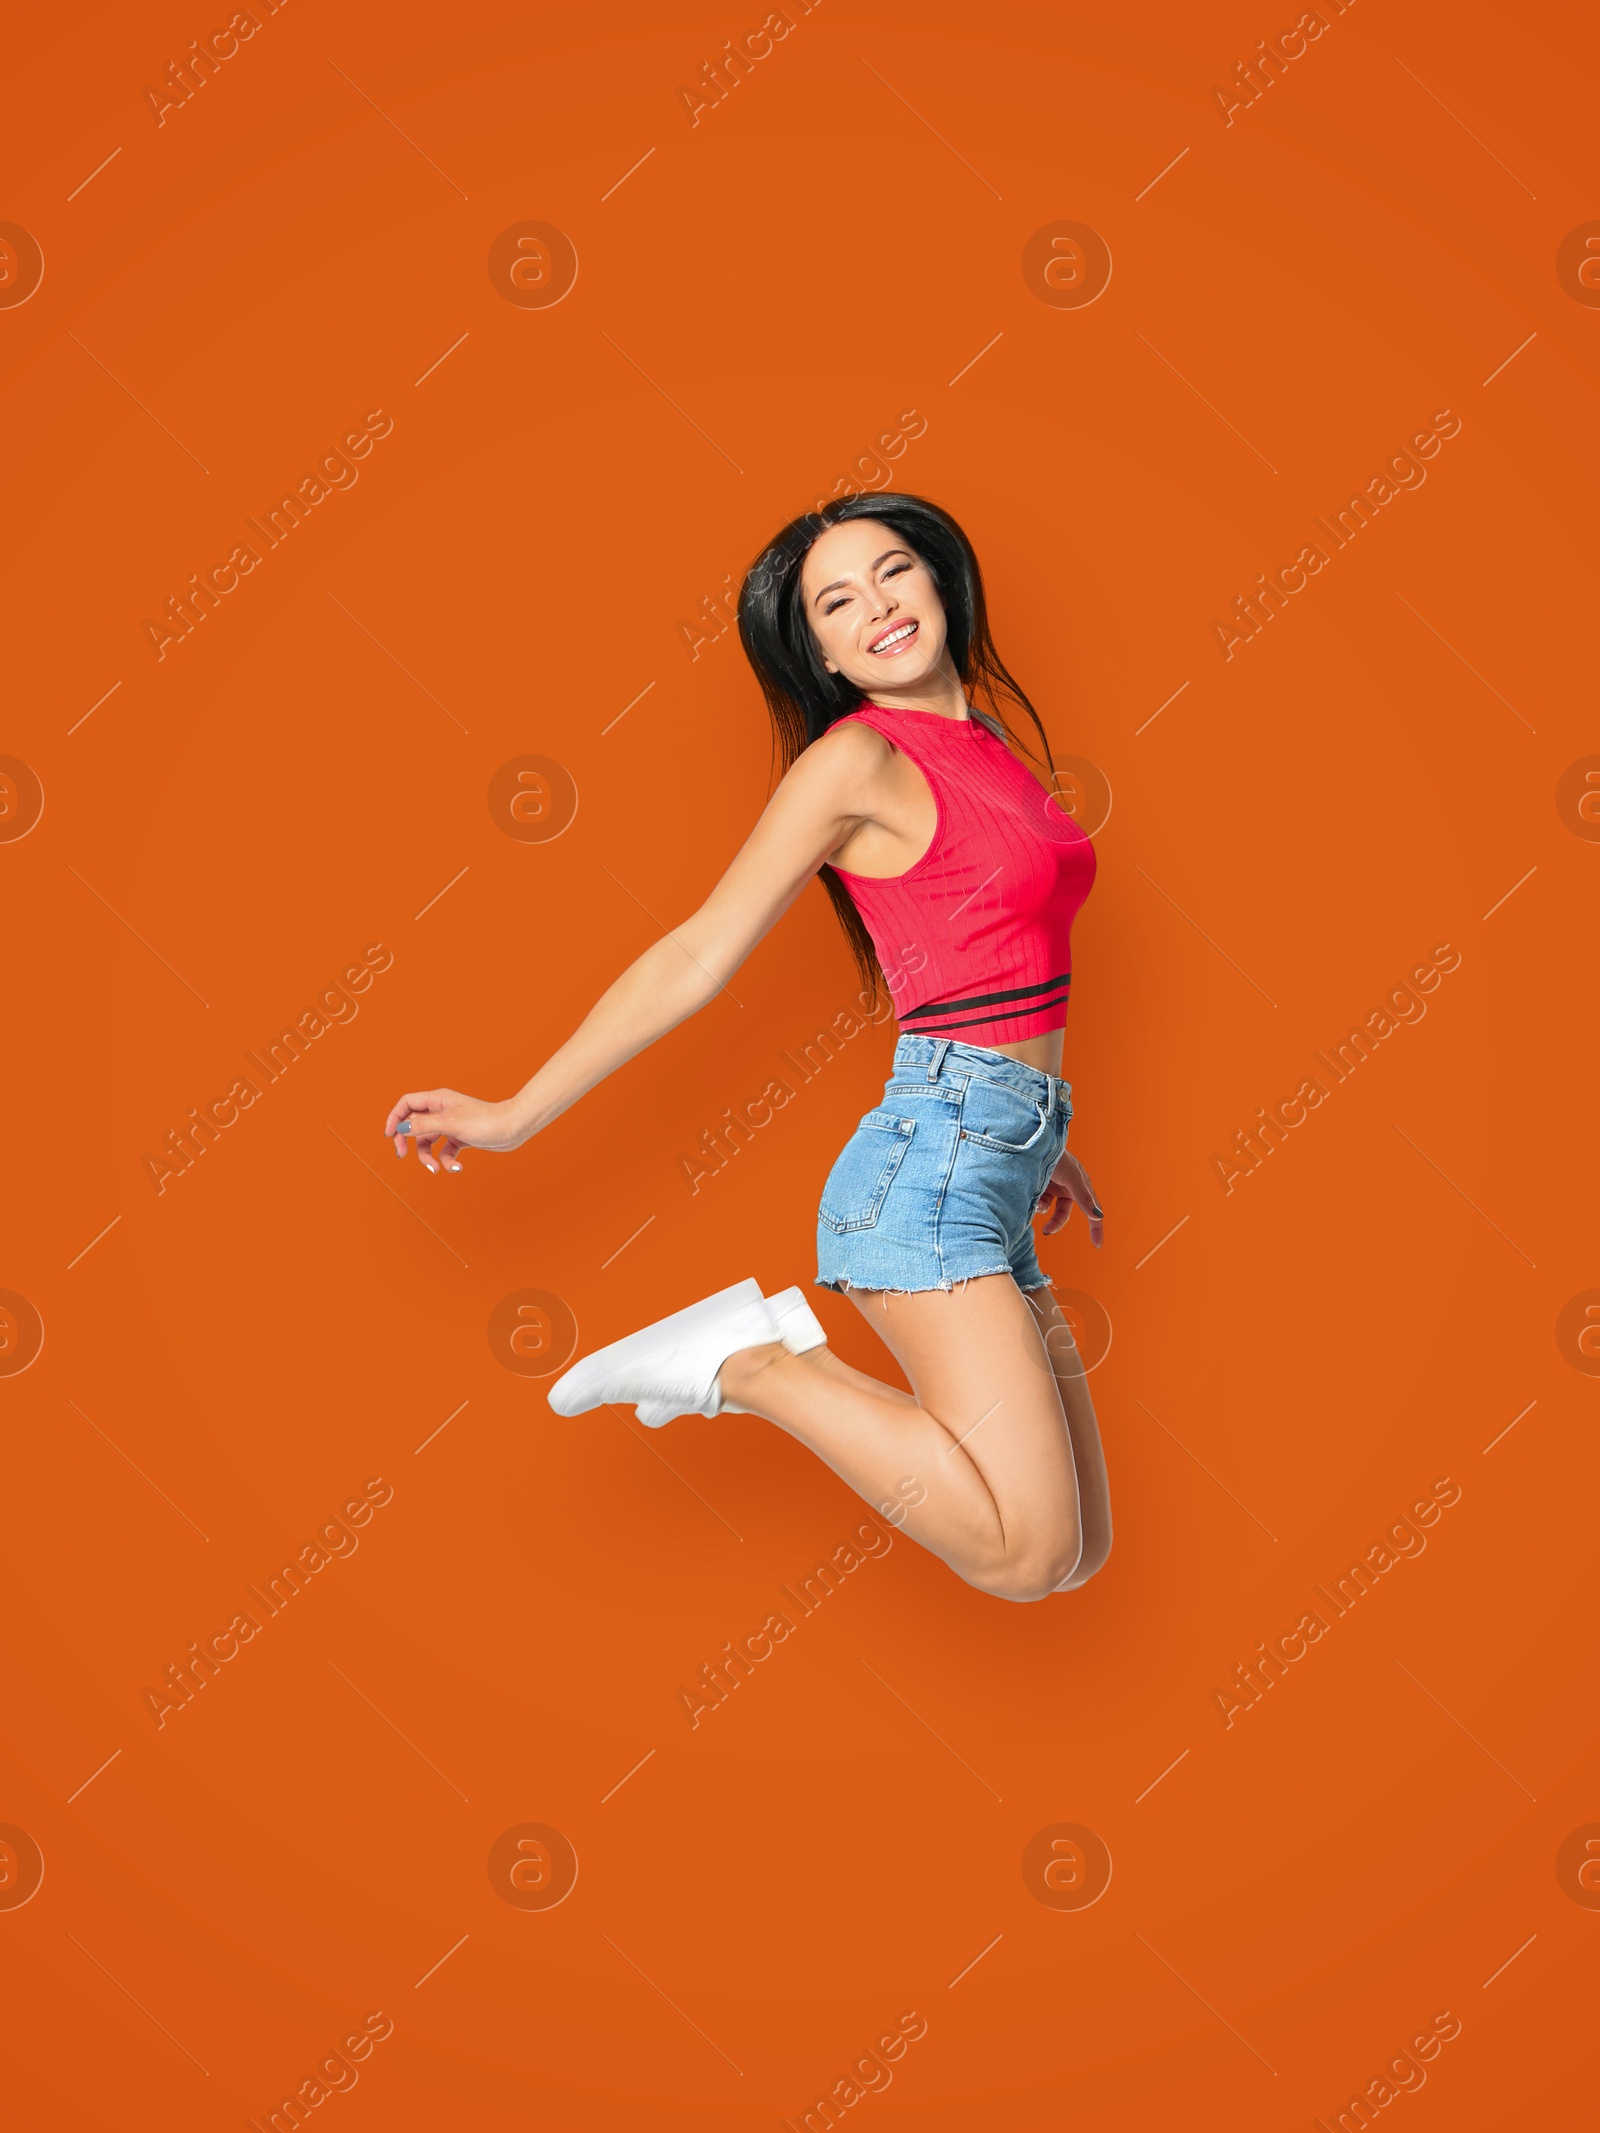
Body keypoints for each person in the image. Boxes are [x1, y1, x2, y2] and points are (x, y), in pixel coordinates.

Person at [383, 493, 1111, 1603]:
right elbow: (694, 952)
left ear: (941, 581)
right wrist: (512, 1112)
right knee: (1023, 1557)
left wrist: (1035, 1124)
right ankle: (757, 1366)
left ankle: (761, 1357)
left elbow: (988, 955)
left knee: (1077, 1552)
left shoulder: (987, 743)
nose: (877, 606)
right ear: (816, 650)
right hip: (928, 1176)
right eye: (837, 601)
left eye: (894, 571)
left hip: (990, 1151)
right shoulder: (853, 763)